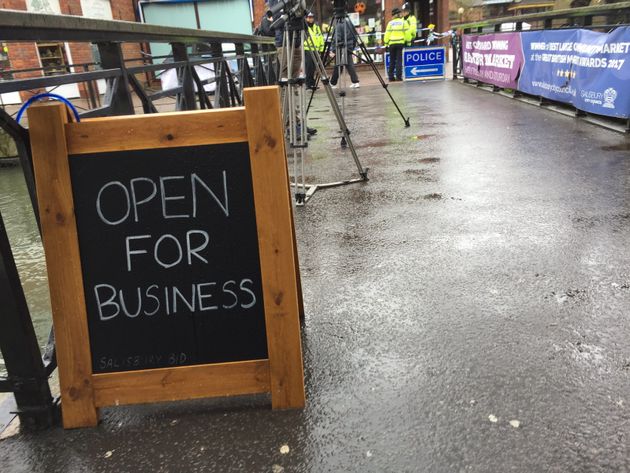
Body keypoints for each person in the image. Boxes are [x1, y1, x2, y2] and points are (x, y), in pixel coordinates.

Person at [330, 16, 360, 88]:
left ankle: (333, 83)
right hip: (348, 47)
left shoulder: (338, 24)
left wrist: (334, 49)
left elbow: (337, 38)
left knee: (338, 65)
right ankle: (355, 81)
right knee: (349, 65)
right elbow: (355, 35)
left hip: (340, 47)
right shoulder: (349, 22)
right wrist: (352, 47)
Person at [384, 7, 411, 82]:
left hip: (392, 44)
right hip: (400, 44)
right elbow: (408, 34)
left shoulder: (390, 23)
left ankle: (391, 77)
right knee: (399, 60)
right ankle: (399, 77)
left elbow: (387, 34)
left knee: (392, 61)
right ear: (399, 14)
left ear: (393, 15)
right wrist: (408, 42)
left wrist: (386, 44)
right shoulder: (404, 22)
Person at [304, 11, 324, 90]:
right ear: (306, 18)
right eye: (309, 17)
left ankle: (312, 84)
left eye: (312, 17)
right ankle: (308, 84)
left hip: (316, 50)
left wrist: (321, 49)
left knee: (313, 68)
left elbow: (320, 38)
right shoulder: (305, 27)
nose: (311, 19)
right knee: (309, 67)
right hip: (307, 49)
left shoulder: (316, 27)